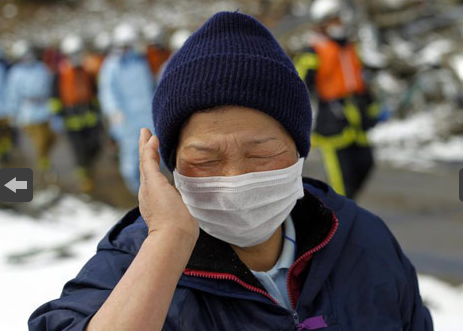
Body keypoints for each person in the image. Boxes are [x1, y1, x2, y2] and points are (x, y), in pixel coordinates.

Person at [29, 12, 432, 330]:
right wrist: (168, 242)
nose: (236, 178)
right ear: (170, 167)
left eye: (261, 154)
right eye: (205, 161)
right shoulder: (132, 268)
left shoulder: (364, 240)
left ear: (297, 150)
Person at [294, 0, 380, 199]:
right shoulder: (313, 51)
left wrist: (372, 109)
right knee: (342, 183)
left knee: (366, 163)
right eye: (333, 20)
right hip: (332, 125)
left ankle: (347, 209)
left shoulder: (349, 47)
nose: (338, 23)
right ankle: (341, 219)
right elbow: (299, 85)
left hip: (357, 122)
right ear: (322, 23)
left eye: (339, 19)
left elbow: (362, 82)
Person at [98, 23, 155, 194]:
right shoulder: (111, 66)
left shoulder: (141, 62)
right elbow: (107, 91)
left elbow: (149, 87)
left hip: (147, 116)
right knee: (131, 157)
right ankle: (137, 193)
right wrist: (113, 111)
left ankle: (154, 189)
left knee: (152, 152)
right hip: (126, 120)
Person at [50, 35, 102, 192]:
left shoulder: (87, 72)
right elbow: (54, 97)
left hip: (89, 117)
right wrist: (58, 116)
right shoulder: (60, 75)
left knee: (96, 146)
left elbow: (94, 92)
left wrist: (97, 111)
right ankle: (85, 178)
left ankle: (88, 167)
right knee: (79, 151)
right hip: (71, 119)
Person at [4, 40, 55, 176]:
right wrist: (13, 113)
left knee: (51, 137)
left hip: (45, 109)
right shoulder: (16, 73)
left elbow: (50, 85)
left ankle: (44, 157)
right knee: (40, 140)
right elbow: (13, 94)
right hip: (28, 113)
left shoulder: (41, 67)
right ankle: (44, 163)